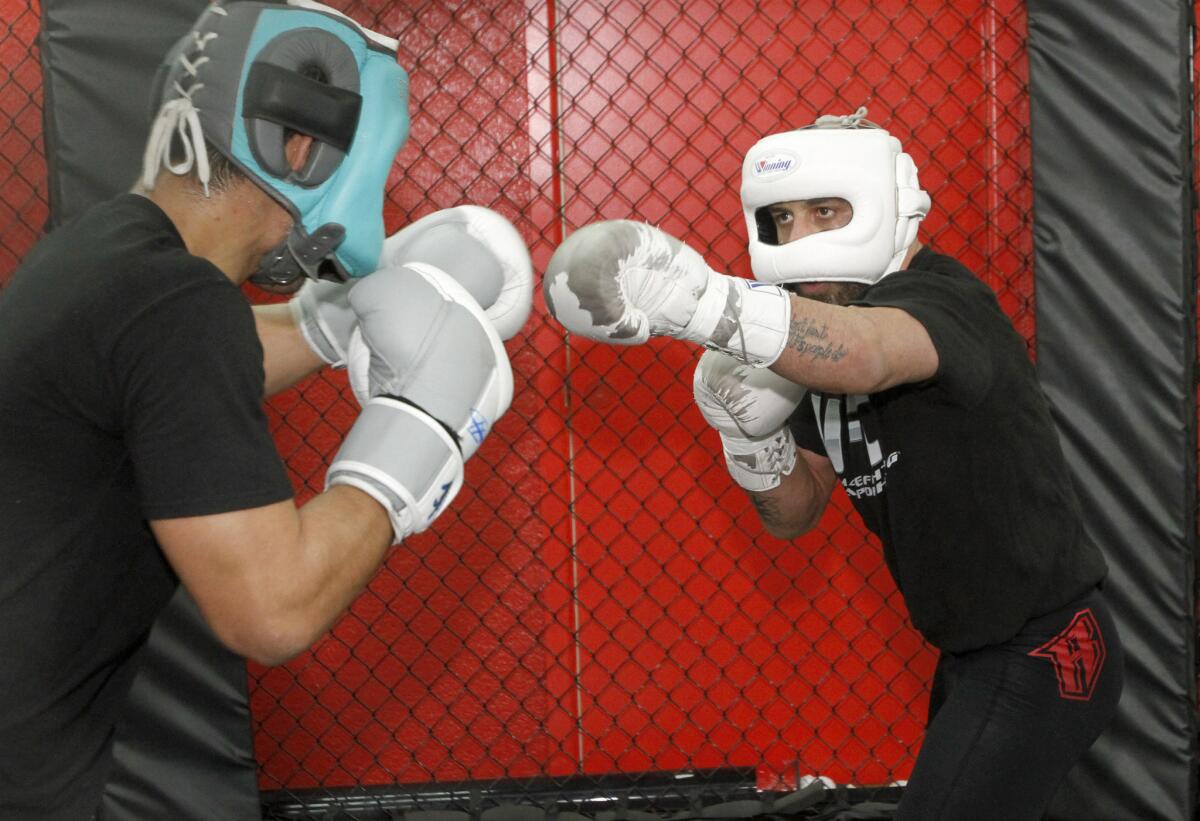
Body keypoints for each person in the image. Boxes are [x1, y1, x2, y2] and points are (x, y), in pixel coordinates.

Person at [0, 2, 531, 818]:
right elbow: (273, 609)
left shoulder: (108, 253)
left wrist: (332, 321)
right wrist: (424, 427)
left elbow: (182, 369)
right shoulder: (177, 304)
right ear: (300, 145)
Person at [543, 107, 1122, 820]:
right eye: (783, 219)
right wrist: (749, 442)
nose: (801, 239)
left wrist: (697, 302)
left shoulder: (940, 297)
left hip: (1048, 646)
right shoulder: (811, 326)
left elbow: (867, 353)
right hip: (973, 651)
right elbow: (799, 510)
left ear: (886, 206)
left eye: (826, 211)